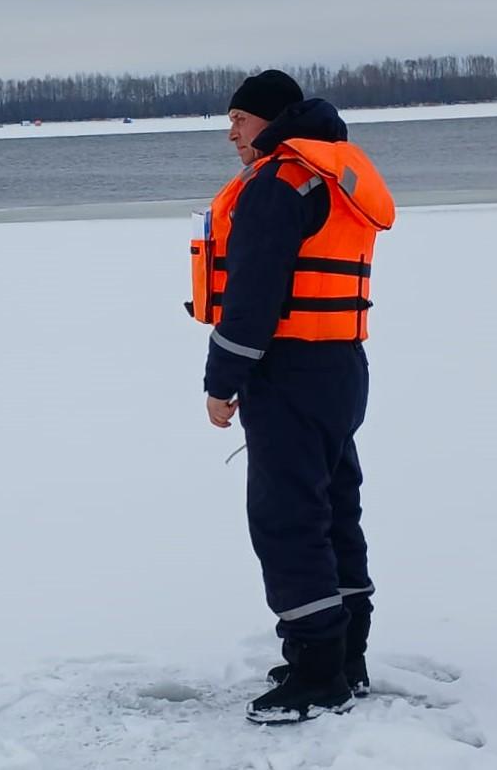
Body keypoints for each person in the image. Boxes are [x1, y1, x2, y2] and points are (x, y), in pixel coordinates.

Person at [189, 70, 395, 723]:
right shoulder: (327, 174)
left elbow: (251, 303)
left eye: (240, 121)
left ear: (272, 121)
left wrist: (221, 383)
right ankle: (343, 656)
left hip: (291, 371)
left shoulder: (280, 184)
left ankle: (317, 673)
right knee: (333, 510)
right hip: (340, 366)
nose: (231, 135)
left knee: (288, 521)